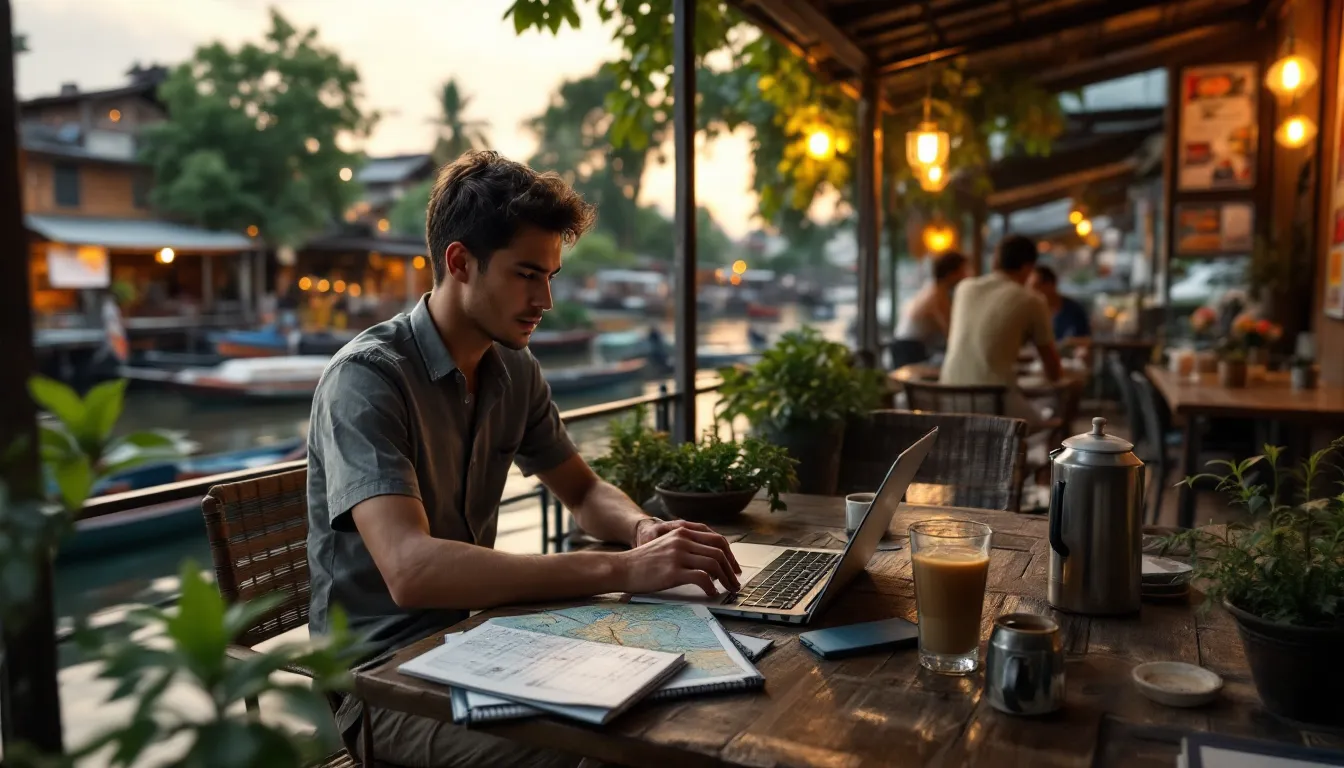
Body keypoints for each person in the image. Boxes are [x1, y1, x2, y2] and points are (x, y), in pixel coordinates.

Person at [307, 150, 743, 767]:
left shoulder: (513, 368)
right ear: (459, 262)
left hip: (481, 641)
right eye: (525, 274)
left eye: (551, 277)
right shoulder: (367, 379)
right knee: (612, 752)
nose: (546, 299)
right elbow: (412, 570)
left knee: (687, 696)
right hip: (383, 683)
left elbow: (586, 494)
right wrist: (621, 571)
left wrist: (643, 531)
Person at [940, 235, 1062, 427]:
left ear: (995, 261)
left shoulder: (964, 288)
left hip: (947, 403)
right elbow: (1053, 371)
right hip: (994, 410)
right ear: (1028, 267)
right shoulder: (1032, 300)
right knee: (1053, 418)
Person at [894, 251, 970, 360]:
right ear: (951, 273)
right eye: (963, 271)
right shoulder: (938, 293)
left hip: (906, 343)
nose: (966, 276)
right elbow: (949, 329)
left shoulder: (932, 287)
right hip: (909, 346)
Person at [1028, 265, 1092, 347]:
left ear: (1050, 285)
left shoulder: (1074, 310)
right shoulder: (1031, 312)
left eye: (1036, 287)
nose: (1031, 293)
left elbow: (1086, 339)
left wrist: (1069, 343)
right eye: (1029, 288)